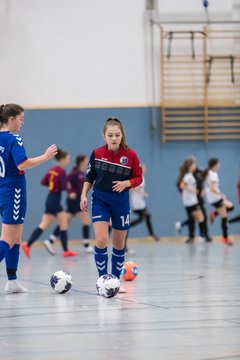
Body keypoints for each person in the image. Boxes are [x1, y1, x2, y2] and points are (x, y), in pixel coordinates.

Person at [80, 117, 142, 294]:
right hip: (100, 199)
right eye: (110, 135)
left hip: (121, 202)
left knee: (119, 243)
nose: (114, 138)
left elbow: (138, 177)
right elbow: (89, 176)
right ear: (104, 136)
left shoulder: (131, 155)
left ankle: (114, 281)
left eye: (117, 135)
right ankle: (102, 280)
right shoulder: (97, 153)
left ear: (122, 135)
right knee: (100, 240)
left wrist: (127, 183)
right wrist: (84, 194)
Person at [0, 103, 57, 293]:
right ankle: (12, 279)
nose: (22, 124)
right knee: (8, 238)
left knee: (15, 236)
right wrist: (45, 156)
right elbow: (22, 164)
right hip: (13, 191)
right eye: (21, 119)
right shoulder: (13, 138)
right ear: (11, 119)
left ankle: (12, 280)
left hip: (2, 190)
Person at [21, 149, 79, 258]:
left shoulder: (52, 170)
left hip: (51, 198)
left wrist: (54, 187)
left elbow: (44, 182)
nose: (68, 161)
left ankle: (65, 250)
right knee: (50, 224)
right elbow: (65, 187)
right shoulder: (61, 171)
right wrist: (70, 193)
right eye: (67, 159)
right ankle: (28, 245)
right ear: (61, 159)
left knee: (60, 223)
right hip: (55, 200)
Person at [44, 154, 93, 255]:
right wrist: (70, 192)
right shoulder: (74, 173)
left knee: (65, 222)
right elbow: (66, 182)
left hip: (76, 201)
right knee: (86, 220)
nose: (87, 162)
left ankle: (50, 240)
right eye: (86, 161)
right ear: (81, 162)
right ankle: (87, 245)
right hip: (75, 201)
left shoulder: (82, 173)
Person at [175, 156, 212, 242]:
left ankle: (181, 225)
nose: (195, 165)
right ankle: (201, 236)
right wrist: (194, 191)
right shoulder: (188, 176)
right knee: (200, 217)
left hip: (192, 201)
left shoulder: (193, 174)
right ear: (190, 165)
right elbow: (182, 186)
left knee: (197, 218)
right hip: (191, 201)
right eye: (194, 164)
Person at [124, 163, 159, 254]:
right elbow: (133, 187)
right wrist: (142, 193)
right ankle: (151, 234)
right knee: (146, 216)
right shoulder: (137, 177)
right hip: (137, 203)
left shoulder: (142, 178)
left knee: (145, 217)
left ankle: (151, 234)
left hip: (141, 202)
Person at [203, 158, 234, 246]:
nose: (219, 166)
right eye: (218, 164)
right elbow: (213, 188)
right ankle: (225, 238)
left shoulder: (208, 172)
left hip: (212, 198)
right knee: (224, 217)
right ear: (215, 165)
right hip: (216, 198)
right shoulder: (213, 174)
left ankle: (214, 214)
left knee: (231, 207)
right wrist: (221, 194)